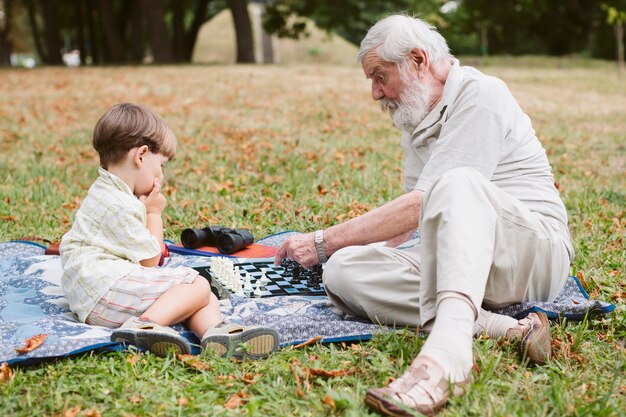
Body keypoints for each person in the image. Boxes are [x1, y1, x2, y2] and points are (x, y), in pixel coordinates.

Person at [275, 15, 573, 416]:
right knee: (344, 271)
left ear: (418, 60)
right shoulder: (416, 119)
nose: (375, 93)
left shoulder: (482, 94)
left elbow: (424, 201)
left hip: (531, 254)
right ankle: (505, 328)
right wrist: (347, 254)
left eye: (379, 77)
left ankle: (446, 360)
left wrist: (323, 241)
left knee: (454, 184)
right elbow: (412, 220)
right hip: (470, 261)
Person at [60, 103, 279, 359]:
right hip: (105, 295)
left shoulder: (105, 191)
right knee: (195, 283)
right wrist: (153, 213)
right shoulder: (119, 204)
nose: (161, 176)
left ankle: (216, 333)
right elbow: (151, 260)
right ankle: (144, 324)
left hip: (95, 296)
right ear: (141, 156)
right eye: (161, 165)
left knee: (198, 295)